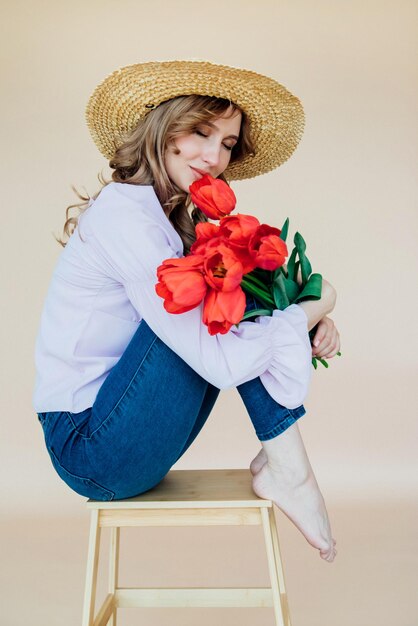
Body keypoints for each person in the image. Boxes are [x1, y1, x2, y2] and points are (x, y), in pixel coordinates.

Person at [34, 60, 340, 562]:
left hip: (122, 438)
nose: (214, 156)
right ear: (164, 128)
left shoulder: (156, 217)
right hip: (92, 448)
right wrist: (318, 302)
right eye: (201, 132)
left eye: (227, 144)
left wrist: (299, 320)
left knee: (226, 281)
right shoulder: (126, 218)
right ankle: (291, 471)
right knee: (218, 295)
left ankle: (286, 468)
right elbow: (222, 362)